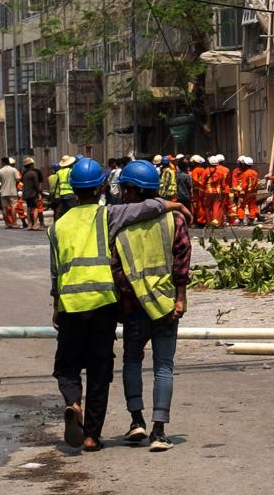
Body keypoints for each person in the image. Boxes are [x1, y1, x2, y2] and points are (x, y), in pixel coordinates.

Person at [48, 155, 179, 454]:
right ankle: (92, 436)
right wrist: (173, 205)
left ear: (73, 189)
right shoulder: (108, 215)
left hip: (70, 303)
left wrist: (56, 306)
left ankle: (73, 403)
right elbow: (143, 208)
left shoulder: (57, 227)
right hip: (104, 302)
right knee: (99, 368)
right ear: (101, 187)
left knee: (67, 367)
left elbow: (55, 271)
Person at [112, 158, 190, 451]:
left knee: (132, 361)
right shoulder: (174, 220)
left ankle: (136, 422)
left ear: (134, 190)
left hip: (134, 308)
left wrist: (126, 300)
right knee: (164, 366)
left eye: (125, 189)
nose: (123, 194)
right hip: (167, 305)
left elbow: (116, 268)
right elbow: (182, 262)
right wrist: (180, 298)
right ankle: (159, 431)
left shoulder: (120, 223)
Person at [21, 157, 46, 231]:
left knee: (29, 208)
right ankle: (35, 224)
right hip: (32, 193)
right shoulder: (34, 173)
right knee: (35, 208)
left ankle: (29, 224)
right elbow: (36, 185)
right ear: (31, 165)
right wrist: (39, 193)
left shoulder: (24, 174)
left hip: (26, 194)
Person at [0, 158, 22, 228]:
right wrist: (15, 186)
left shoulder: (0, 171)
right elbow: (18, 179)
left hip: (3, 192)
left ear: (3, 163)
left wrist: (0, 187)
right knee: (13, 207)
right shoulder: (14, 170)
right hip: (13, 192)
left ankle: (7, 224)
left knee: (4, 208)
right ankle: (14, 223)